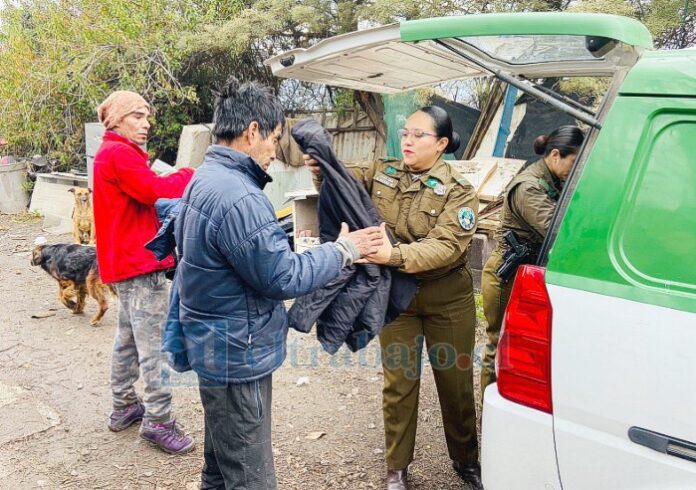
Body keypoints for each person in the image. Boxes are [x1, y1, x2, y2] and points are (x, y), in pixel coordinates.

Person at [171, 77, 384, 490]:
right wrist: (345, 249)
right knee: (251, 478)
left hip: (214, 344)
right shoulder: (241, 197)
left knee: (219, 467)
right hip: (237, 355)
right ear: (252, 132)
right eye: (273, 138)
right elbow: (283, 276)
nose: (274, 151)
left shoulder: (205, 177)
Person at [305, 106, 482, 490]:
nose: (407, 140)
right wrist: (322, 169)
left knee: (454, 383)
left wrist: (392, 256)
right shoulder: (383, 171)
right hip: (397, 300)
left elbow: (446, 247)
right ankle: (397, 468)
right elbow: (343, 184)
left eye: (419, 135)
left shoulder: (459, 190)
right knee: (398, 383)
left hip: (446, 300)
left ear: (442, 144)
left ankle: (466, 459)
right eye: (405, 132)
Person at [92, 90, 196, 454]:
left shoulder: (110, 153)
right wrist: (190, 174)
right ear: (117, 120)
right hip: (139, 266)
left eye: (147, 116)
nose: (146, 123)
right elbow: (154, 190)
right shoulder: (120, 154)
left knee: (127, 339)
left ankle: (124, 406)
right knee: (155, 346)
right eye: (138, 116)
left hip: (123, 264)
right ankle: (158, 420)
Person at [480, 125, 585, 395]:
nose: (575, 170)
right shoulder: (529, 187)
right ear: (554, 155)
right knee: (498, 342)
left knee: (519, 344)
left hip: (525, 275)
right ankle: (487, 406)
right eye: (574, 162)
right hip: (505, 275)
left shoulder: (553, 180)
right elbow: (558, 229)